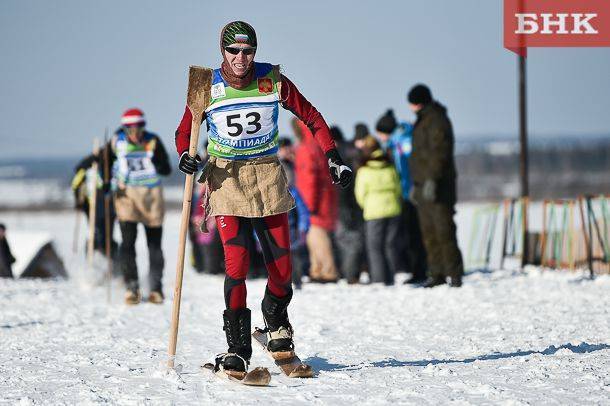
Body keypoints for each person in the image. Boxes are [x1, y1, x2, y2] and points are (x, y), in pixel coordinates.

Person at [174, 21, 352, 374]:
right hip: (226, 180)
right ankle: (237, 347)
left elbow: (312, 117)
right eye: (234, 51)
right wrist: (185, 154)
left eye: (248, 51)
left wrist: (332, 156)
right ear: (222, 51)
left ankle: (275, 320)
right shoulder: (205, 84)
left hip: (268, 176)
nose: (241, 58)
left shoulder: (273, 80)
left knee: (282, 270)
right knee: (236, 266)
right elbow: (185, 130)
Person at [107, 108, 172, 304]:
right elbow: (104, 164)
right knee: (128, 243)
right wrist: (104, 183)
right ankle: (132, 286)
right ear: (124, 129)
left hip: (151, 196)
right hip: (127, 196)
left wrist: (156, 162)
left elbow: (166, 168)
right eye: (130, 129)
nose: (135, 133)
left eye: (138, 128)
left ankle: (155, 287)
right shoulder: (115, 142)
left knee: (153, 244)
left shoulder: (153, 141)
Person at [407, 84, 464, 288]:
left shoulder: (438, 120)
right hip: (422, 185)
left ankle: (454, 273)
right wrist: (417, 184)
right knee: (429, 232)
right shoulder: (422, 121)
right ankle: (437, 272)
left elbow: (440, 153)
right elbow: (418, 157)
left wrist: (432, 180)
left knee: (444, 230)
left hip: (439, 186)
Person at [375, 109, 428, 284]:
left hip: (411, 193)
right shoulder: (398, 140)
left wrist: (409, 190)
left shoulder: (403, 142)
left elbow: (407, 170)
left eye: (381, 134)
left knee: (415, 234)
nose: (380, 138)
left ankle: (420, 270)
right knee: (412, 234)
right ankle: (418, 269)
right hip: (408, 192)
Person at [293, 118, 340, 283]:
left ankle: (328, 271)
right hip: (324, 197)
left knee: (317, 236)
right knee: (314, 236)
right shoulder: (318, 145)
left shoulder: (306, 149)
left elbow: (310, 179)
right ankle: (317, 269)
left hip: (313, 201)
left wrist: (308, 204)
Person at [354, 137, 402, 285]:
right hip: (393, 208)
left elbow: (360, 194)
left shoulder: (364, 170)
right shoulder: (390, 166)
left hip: (373, 211)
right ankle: (391, 277)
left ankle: (379, 279)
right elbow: (398, 188)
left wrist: (366, 205)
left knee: (374, 247)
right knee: (390, 245)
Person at [330, 125, 365, 284]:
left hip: (344, 205)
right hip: (353, 204)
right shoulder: (351, 152)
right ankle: (352, 273)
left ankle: (350, 274)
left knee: (347, 241)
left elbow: (343, 187)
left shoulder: (339, 156)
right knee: (352, 241)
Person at [71, 150, 119, 259]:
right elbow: (76, 184)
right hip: (92, 206)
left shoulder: (111, 166)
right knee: (95, 234)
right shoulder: (88, 167)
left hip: (107, 206)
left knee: (105, 235)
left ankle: (110, 261)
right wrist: (79, 201)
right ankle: (94, 260)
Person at [278, 137, 310, 289]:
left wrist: (303, 228)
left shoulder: (293, 192)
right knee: (278, 258)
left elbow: (303, 211)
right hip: (277, 229)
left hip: (292, 229)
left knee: (295, 255)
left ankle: (296, 280)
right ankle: (282, 282)